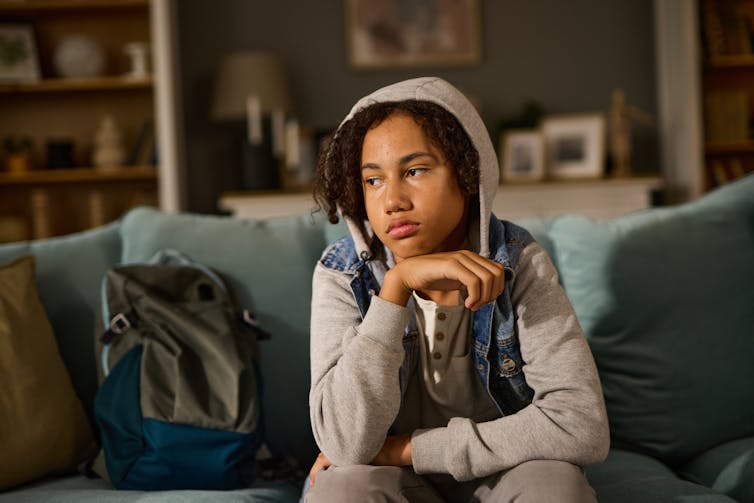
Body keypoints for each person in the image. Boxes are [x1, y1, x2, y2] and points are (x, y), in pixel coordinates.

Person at [305, 77, 609, 502]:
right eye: (373, 180)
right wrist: (396, 287)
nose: (392, 200)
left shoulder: (517, 262)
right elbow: (345, 444)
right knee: (344, 488)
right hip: (394, 484)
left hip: (501, 474)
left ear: (469, 174)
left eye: (414, 171)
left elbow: (580, 425)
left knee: (555, 484)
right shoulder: (343, 275)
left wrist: (405, 449)